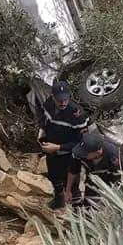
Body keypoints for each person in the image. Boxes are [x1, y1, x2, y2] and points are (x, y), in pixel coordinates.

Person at [36, 80, 90, 209]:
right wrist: (42, 130)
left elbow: (81, 143)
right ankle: (59, 200)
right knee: (54, 176)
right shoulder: (48, 104)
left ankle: (77, 210)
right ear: (53, 97)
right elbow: (44, 118)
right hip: (51, 150)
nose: (63, 103)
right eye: (59, 100)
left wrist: (59, 147)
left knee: (72, 184)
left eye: (65, 99)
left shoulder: (77, 114)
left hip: (69, 154)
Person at [65, 133, 123, 207]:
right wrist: (68, 190)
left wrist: (110, 198)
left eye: (85, 153)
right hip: (92, 176)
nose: (81, 154)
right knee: (89, 200)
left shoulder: (114, 157)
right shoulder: (79, 152)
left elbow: (119, 180)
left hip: (108, 179)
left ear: (97, 152)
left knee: (98, 203)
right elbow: (73, 171)